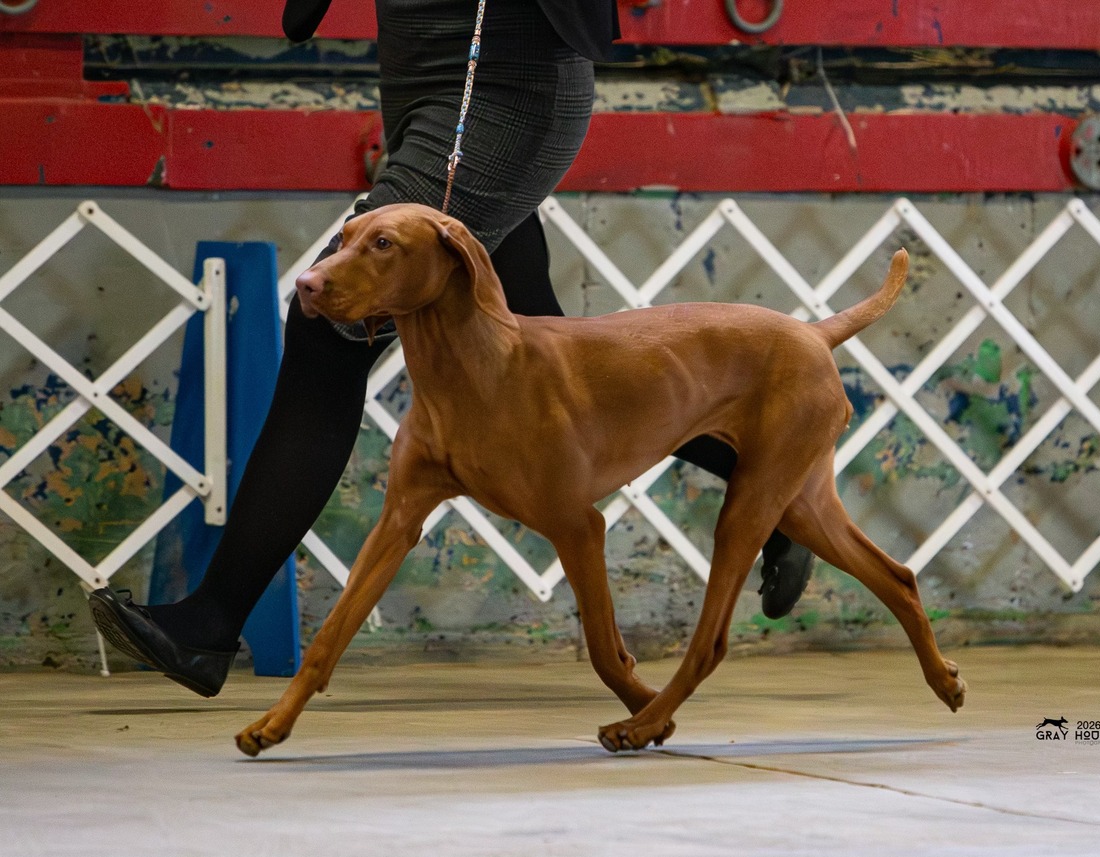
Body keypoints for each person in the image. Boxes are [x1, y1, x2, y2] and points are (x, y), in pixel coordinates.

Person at [88, 0, 813, 698]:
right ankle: (768, 477)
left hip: (506, 80)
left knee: (326, 326)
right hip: (420, 70)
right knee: (535, 341)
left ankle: (212, 621)